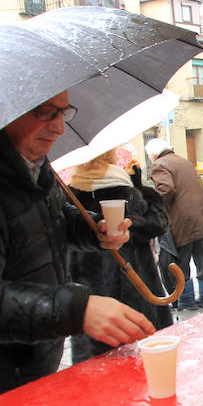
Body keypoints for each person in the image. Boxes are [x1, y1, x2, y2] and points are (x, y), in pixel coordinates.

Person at [0, 92, 156, 406]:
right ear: (1, 112)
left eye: (63, 112)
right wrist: (77, 310)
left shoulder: (30, 164)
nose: (59, 128)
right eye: (45, 112)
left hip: (27, 359)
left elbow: (46, 219)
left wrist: (93, 229)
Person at [68, 149, 174, 363]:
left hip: (91, 294)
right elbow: (157, 223)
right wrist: (141, 188)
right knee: (139, 359)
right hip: (134, 281)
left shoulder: (70, 192)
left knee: (97, 365)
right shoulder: (123, 187)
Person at [145, 138, 203, 311]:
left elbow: (166, 189)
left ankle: (186, 300)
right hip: (202, 220)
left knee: (181, 264)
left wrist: (157, 208)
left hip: (183, 223)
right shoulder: (183, 161)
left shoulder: (159, 165)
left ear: (153, 154)